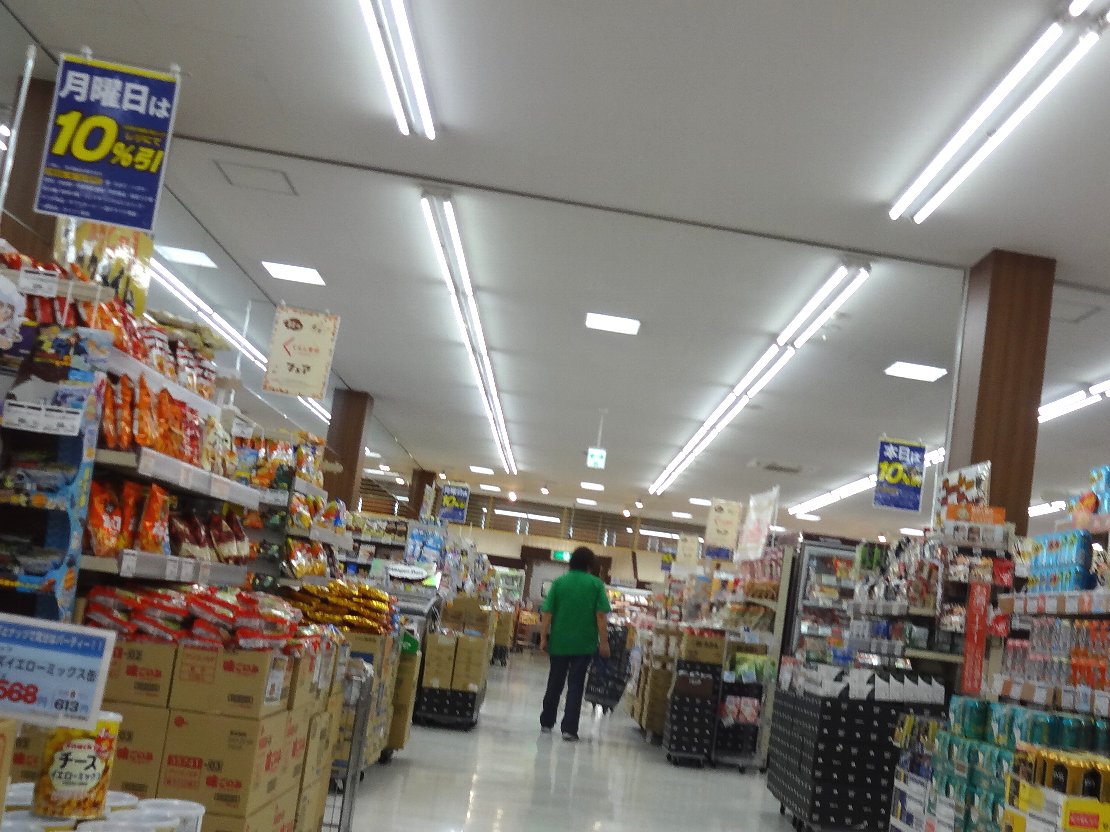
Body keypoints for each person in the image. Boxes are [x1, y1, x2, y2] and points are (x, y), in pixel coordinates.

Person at [538, 546, 611, 741]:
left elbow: (548, 613)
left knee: (555, 682)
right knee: (576, 685)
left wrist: (543, 637)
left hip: (559, 642)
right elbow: (601, 616)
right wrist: (604, 643)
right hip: (584, 644)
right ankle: (569, 729)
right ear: (590, 565)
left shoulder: (559, 583)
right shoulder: (596, 585)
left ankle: (546, 722)